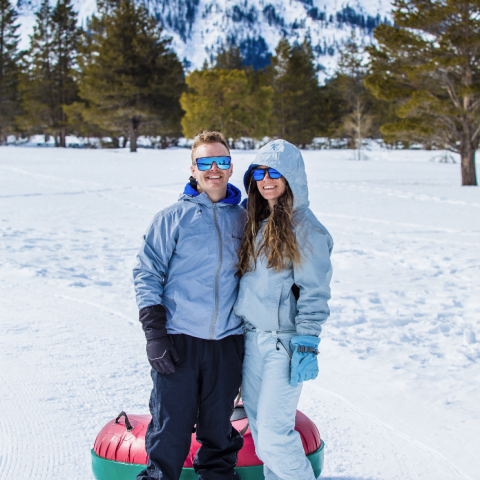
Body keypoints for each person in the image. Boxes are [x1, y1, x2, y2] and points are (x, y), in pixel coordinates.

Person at [133, 131, 245, 480]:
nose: (215, 169)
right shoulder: (172, 218)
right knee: (171, 431)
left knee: (218, 433)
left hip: (227, 343)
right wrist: (155, 335)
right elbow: (147, 272)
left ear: (230, 166)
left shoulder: (245, 219)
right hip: (178, 340)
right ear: (193, 169)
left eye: (222, 161)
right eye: (205, 162)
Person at [234, 139, 333, 480]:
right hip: (252, 342)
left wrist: (306, 342)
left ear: (291, 176)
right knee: (262, 438)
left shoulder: (306, 228)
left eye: (274, 172)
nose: (266, 179)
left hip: (284, 346)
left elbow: (314, 291)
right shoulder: (257, 220)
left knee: (276, 438)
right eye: (259, 172)